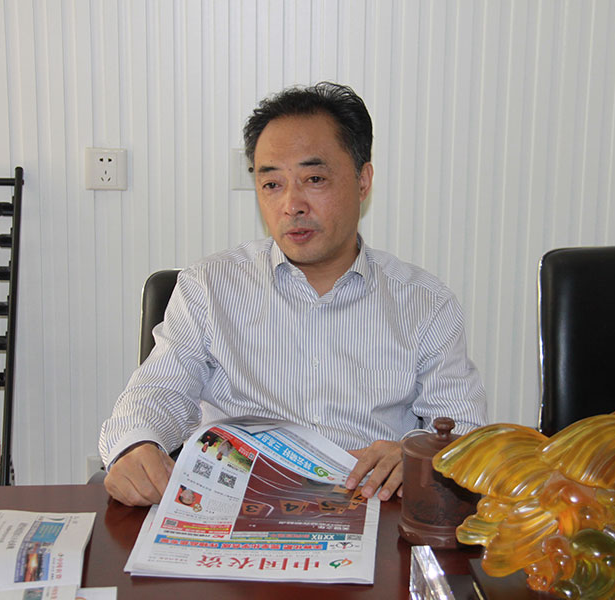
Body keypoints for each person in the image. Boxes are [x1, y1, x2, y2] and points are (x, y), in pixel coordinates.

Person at [99, 82, 487, 507]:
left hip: (375, 509)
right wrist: (136, 446)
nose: (291, 205)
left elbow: (465, 432)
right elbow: (158, 393)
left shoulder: (425, 303)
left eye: (314, 179)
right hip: (236, 507)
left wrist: (414, 455)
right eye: (272, 184)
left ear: (363, 182)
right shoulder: (209, 287)